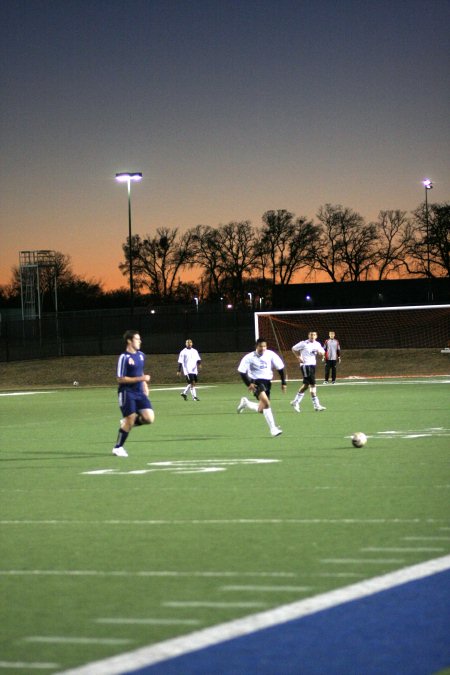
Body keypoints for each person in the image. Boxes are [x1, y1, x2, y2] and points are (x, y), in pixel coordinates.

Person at [112, 330, 155, 457]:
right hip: (127, 392)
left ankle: (126, 423)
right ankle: (118, 447)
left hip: (139, 392)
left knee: (149, 418)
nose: (140, 341)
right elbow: (120, 378)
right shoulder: (124, 357)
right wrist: (141, 380)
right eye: (137, 339)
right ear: (129, 341)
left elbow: (140, 372)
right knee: (130, 419)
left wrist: (144, 385)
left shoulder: (141, 355)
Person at [236, 338, 286, 437]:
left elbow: (280, 368)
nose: (263, 348)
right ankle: (273, 429)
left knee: (261, 410)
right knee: (267, 403)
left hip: (267, 382)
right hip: (256, 382)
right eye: (260, 346)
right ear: (256, 346)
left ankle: (246, 403)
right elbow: (242, 371)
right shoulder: (249, 357)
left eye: (264, 346)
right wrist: (249, 383)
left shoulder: (270, 354)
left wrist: (283, 382)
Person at [290, 331, 326, 412]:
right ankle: (316, 405)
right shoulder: (303, 343)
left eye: (314, 335)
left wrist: (321, 353)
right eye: (311, 335)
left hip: (312, 365)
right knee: (313, 384)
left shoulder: (317, 344)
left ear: (316, 336)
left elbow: (322, 351)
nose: (312, 336)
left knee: (306, 385)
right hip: (305, 365)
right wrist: (298, 357)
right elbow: (293, 348)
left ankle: (295, 402)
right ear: (308, 335)